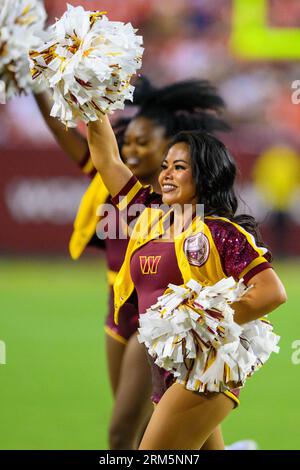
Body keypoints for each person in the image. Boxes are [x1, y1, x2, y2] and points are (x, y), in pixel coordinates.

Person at [34, 78, 229, 449]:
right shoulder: (125, 193)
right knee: (174, 434)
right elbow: (102, 153)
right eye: (129, 142)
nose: (132, 150)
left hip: (160, 318)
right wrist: (62, 87)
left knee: (125, 434)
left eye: (144, 143)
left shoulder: (189, 212)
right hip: (118, 307)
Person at [86, 113, 287, 450]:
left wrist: (203, 325)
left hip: (206, 369)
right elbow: (107, 158)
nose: (165, 174)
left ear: (205, 175)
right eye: (165, 165)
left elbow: (271, 293)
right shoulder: (146, 216)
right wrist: (91, 104)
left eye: (179, 167)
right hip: (164, 367)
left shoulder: (219, 232)